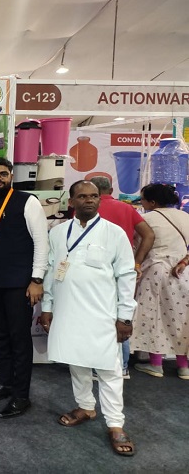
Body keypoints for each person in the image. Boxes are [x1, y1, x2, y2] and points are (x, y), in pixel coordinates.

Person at [41, 180, 137, 457]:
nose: (89, 200)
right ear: (71, 202)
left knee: (109, 369)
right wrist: (47, 306)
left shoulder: (114, 233)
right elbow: (51, 270)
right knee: (76, 362)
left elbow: (127, 275)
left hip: (102, 314)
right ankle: (85, 407)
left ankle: (115, 424)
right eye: (82, 196)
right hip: (67, 311)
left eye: (94, 196)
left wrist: (125, 317)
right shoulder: (58, 232)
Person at [0, 157, 48, 418]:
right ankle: (5, 383)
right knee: (1, 336)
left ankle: (21, 395)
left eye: (3, 174)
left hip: (19, 284)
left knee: (19, 339)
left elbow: (41, 242)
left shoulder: (28, 201)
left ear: (11, 175)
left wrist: (36, 280)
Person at [90, 176, 155, 378]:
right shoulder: (127, 208)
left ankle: (97, 365)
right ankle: (123, 365)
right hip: (123, 268)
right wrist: (137, 262)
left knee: (96, 317)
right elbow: (149, 235)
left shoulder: (88, 208)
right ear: (111, 190)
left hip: (94, 269)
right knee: (122, 315)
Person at [131, 184, 189, 380]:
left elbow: (138, 246)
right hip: (182, 273)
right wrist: (184, 261)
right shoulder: (185, 216)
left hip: (155, 272)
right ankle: (184, 366)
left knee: (153, 317)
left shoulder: (146, 219)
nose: (142, 203)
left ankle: (156, 364)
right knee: (180, 319)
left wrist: (136, 265)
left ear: (152, 202)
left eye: (143, 199)